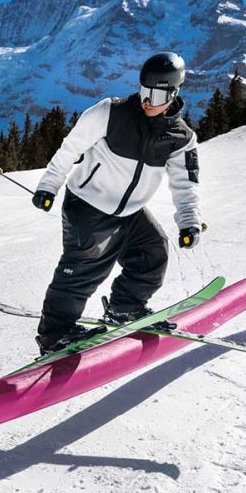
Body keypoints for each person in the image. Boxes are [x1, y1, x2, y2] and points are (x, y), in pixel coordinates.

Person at [30, 52, 205, 354]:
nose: (149, 100)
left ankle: (126, 307)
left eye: (158, 93)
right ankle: (54, 335)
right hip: (87, 204)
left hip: (130, 211)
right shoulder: (110, 112)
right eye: (145, 91)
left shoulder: (180, 137)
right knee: (83, 267)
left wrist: (189, 221)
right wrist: (48, 186)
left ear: (174, 92)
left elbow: (184, 182)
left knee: (153, 251)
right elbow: (69, 149)